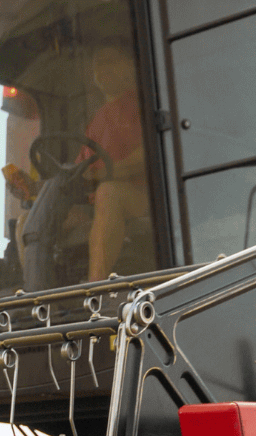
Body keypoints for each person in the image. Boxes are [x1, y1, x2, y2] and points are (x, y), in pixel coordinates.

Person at [77, 43, 150, 280]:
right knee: (31, 218)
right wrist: (32, 190)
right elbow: (79, 172)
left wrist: (100, 176)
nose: (101, 68)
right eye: (97, 64)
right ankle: (34, 298)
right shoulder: (96, 121)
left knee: (108, 193)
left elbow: (146, 157)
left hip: (149, 198)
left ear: (130, 65)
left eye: (110, 60)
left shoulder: (144, 104)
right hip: (100, 204)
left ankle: (94, 292)